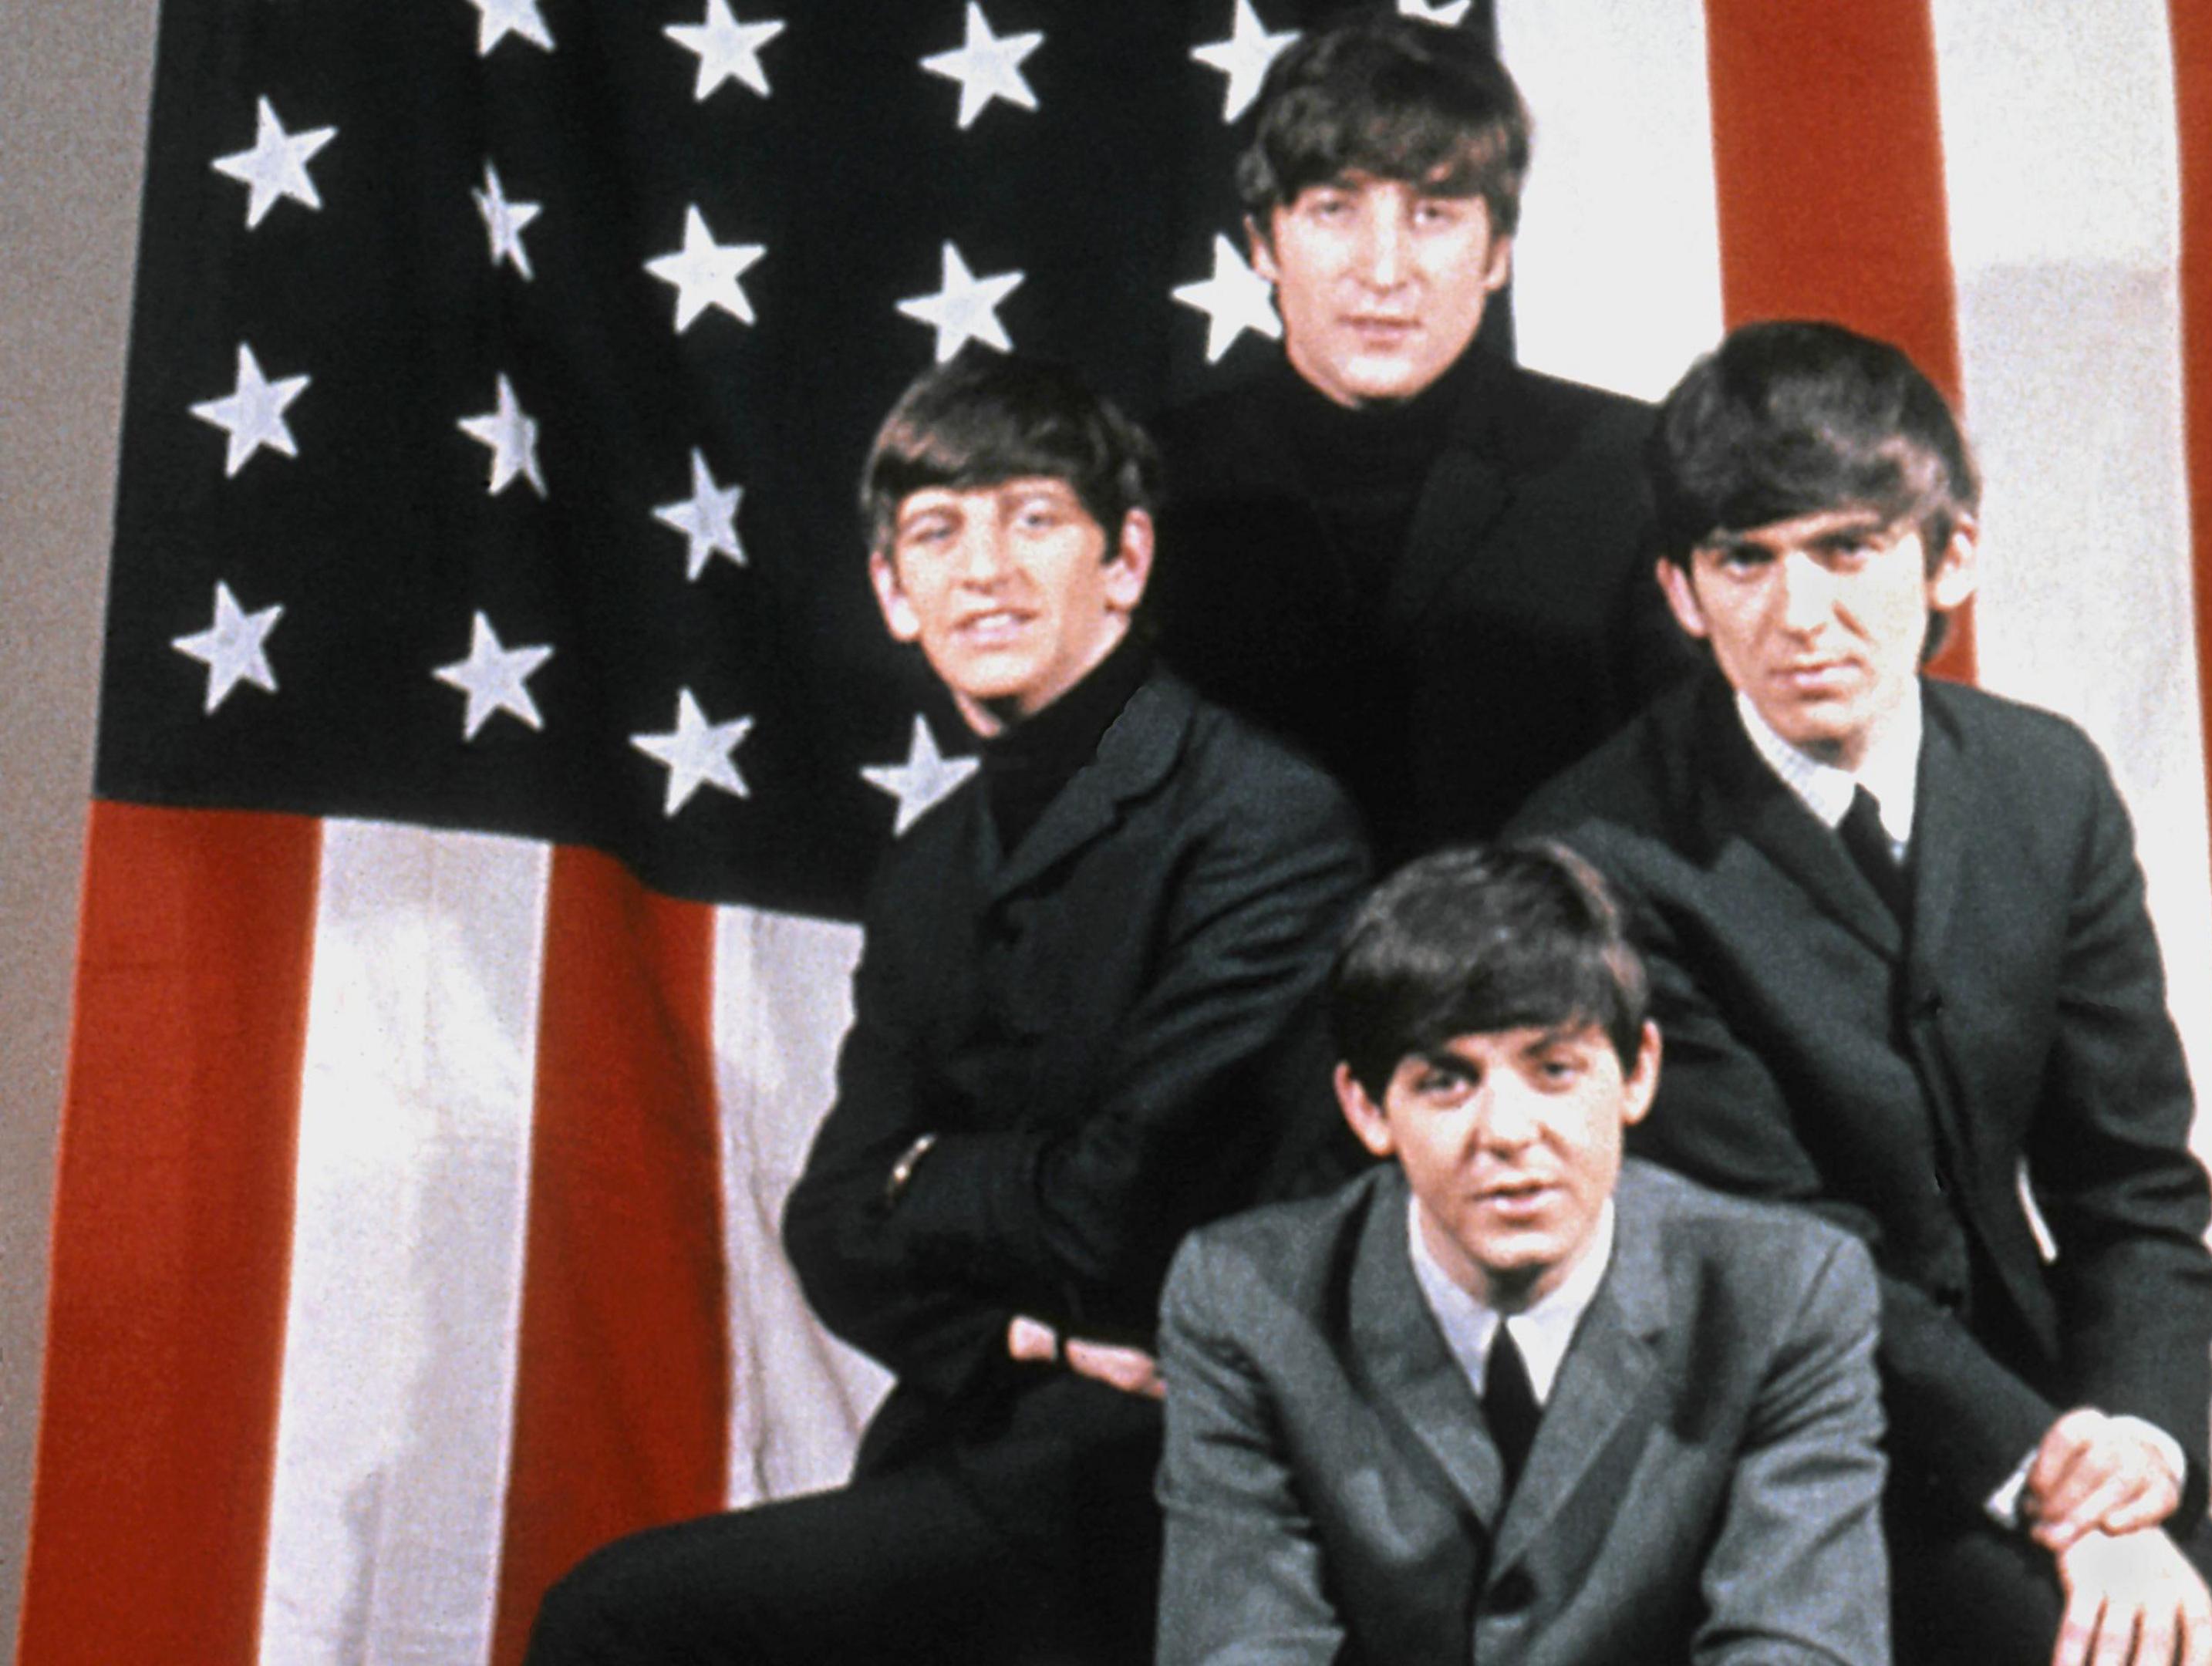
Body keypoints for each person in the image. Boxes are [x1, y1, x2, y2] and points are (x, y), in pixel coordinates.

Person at [1515, 322, 2212, 1666]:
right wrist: (2055, 1492)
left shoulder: (2042, 783)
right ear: (1680, 592)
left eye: (1848, 549)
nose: (1800, 616)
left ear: (1949, 555)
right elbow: (1789, 1256)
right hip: (1763, 1446)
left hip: (2041, 1426)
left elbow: (2131, 1187)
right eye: (1746, 560)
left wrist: (2129, 1445)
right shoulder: (1598, 857)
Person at [526, 350, 1371, 1664]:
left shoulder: (1265, 822)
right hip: (988, 1427)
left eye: (1033, 520)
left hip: (1180, 1468)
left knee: (615, 1624)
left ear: (1126, 559)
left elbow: (1125, 1207)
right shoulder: (931, 866)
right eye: (938, 533)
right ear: (892, 592)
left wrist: (930, 1181)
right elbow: (830, 1227)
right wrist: (1024, 1329)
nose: (984, 570)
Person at [1155, 842, 1891, 1665]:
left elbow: (1800, 1647)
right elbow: (1244, 1648)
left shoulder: (1786, 1290)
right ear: (1367, 1109)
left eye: (1554, 1069)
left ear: (1638, 1072)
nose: (1507, 1133)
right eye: (1446, 1081)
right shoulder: (1244, 1297)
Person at [1147, 15, 1696, 861]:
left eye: (1433, 214)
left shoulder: (1631, 471)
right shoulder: (1151, 484)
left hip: (1551, 977)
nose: (1385, 270)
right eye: (1335, 208)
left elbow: (1688, 803)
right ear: (1263, 242)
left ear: (1498, 253)